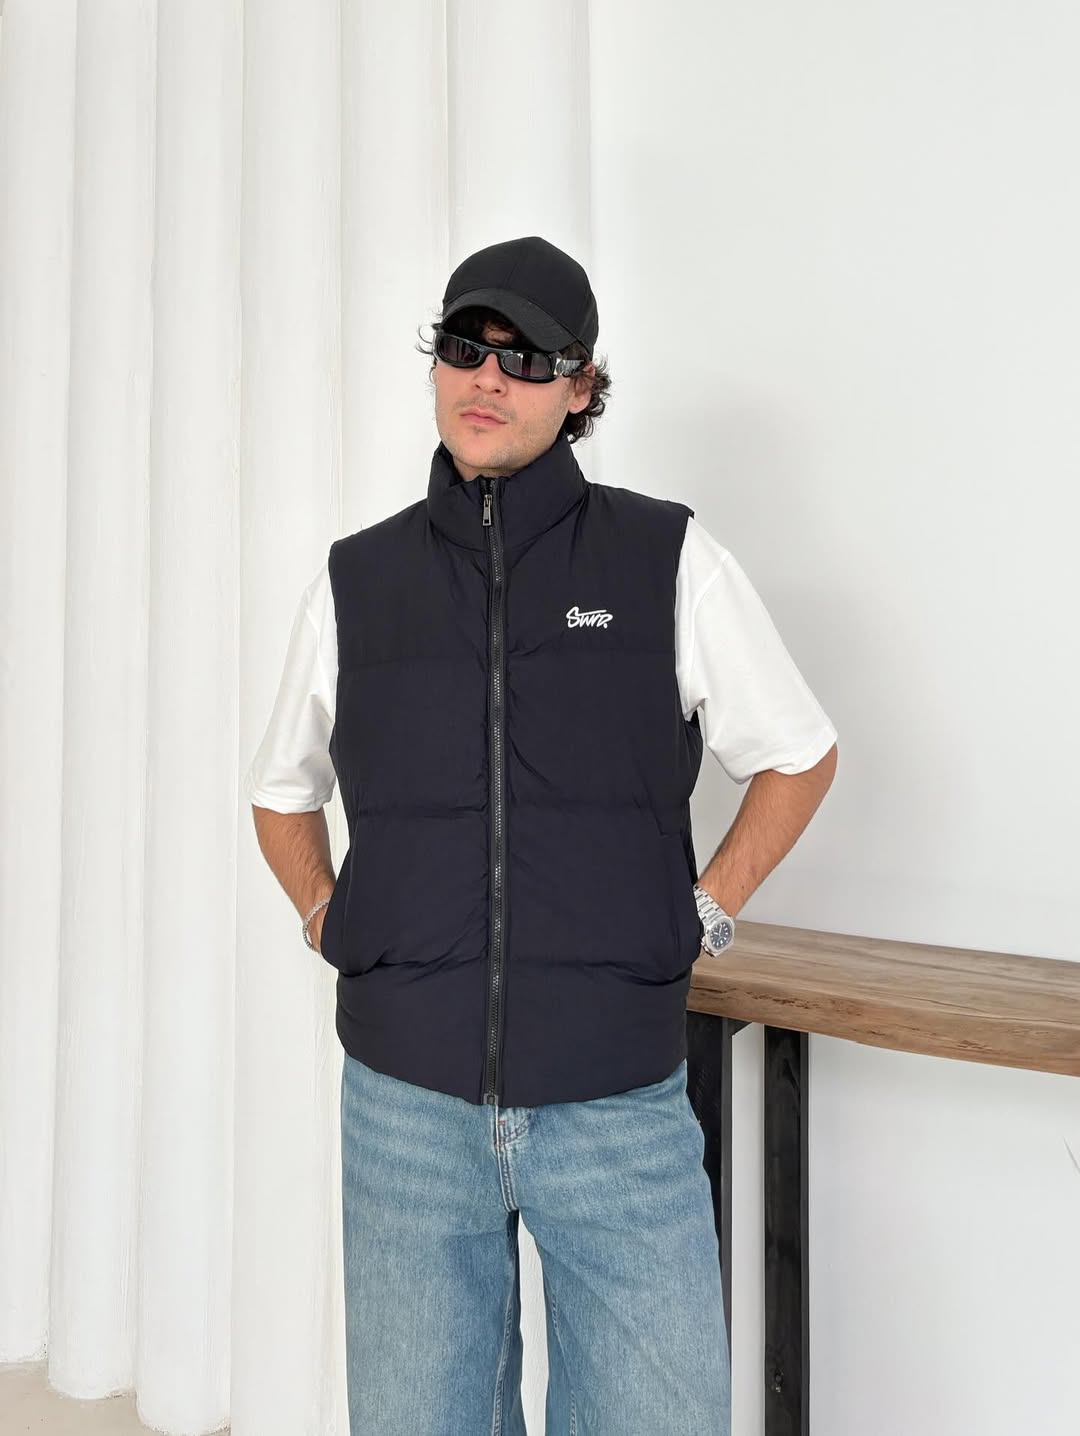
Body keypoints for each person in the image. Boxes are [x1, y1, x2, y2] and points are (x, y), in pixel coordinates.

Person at [246, 235, 838, 1435]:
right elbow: (279, 787)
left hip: (616, 1097)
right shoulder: (358, 580)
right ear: (436, 363)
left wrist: (702, 909)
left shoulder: (665, 557)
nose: (488, 379)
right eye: (467, 347)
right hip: (406, 1106)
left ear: (580, 388)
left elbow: (798, 751)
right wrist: (327, 914)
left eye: (526, 360)